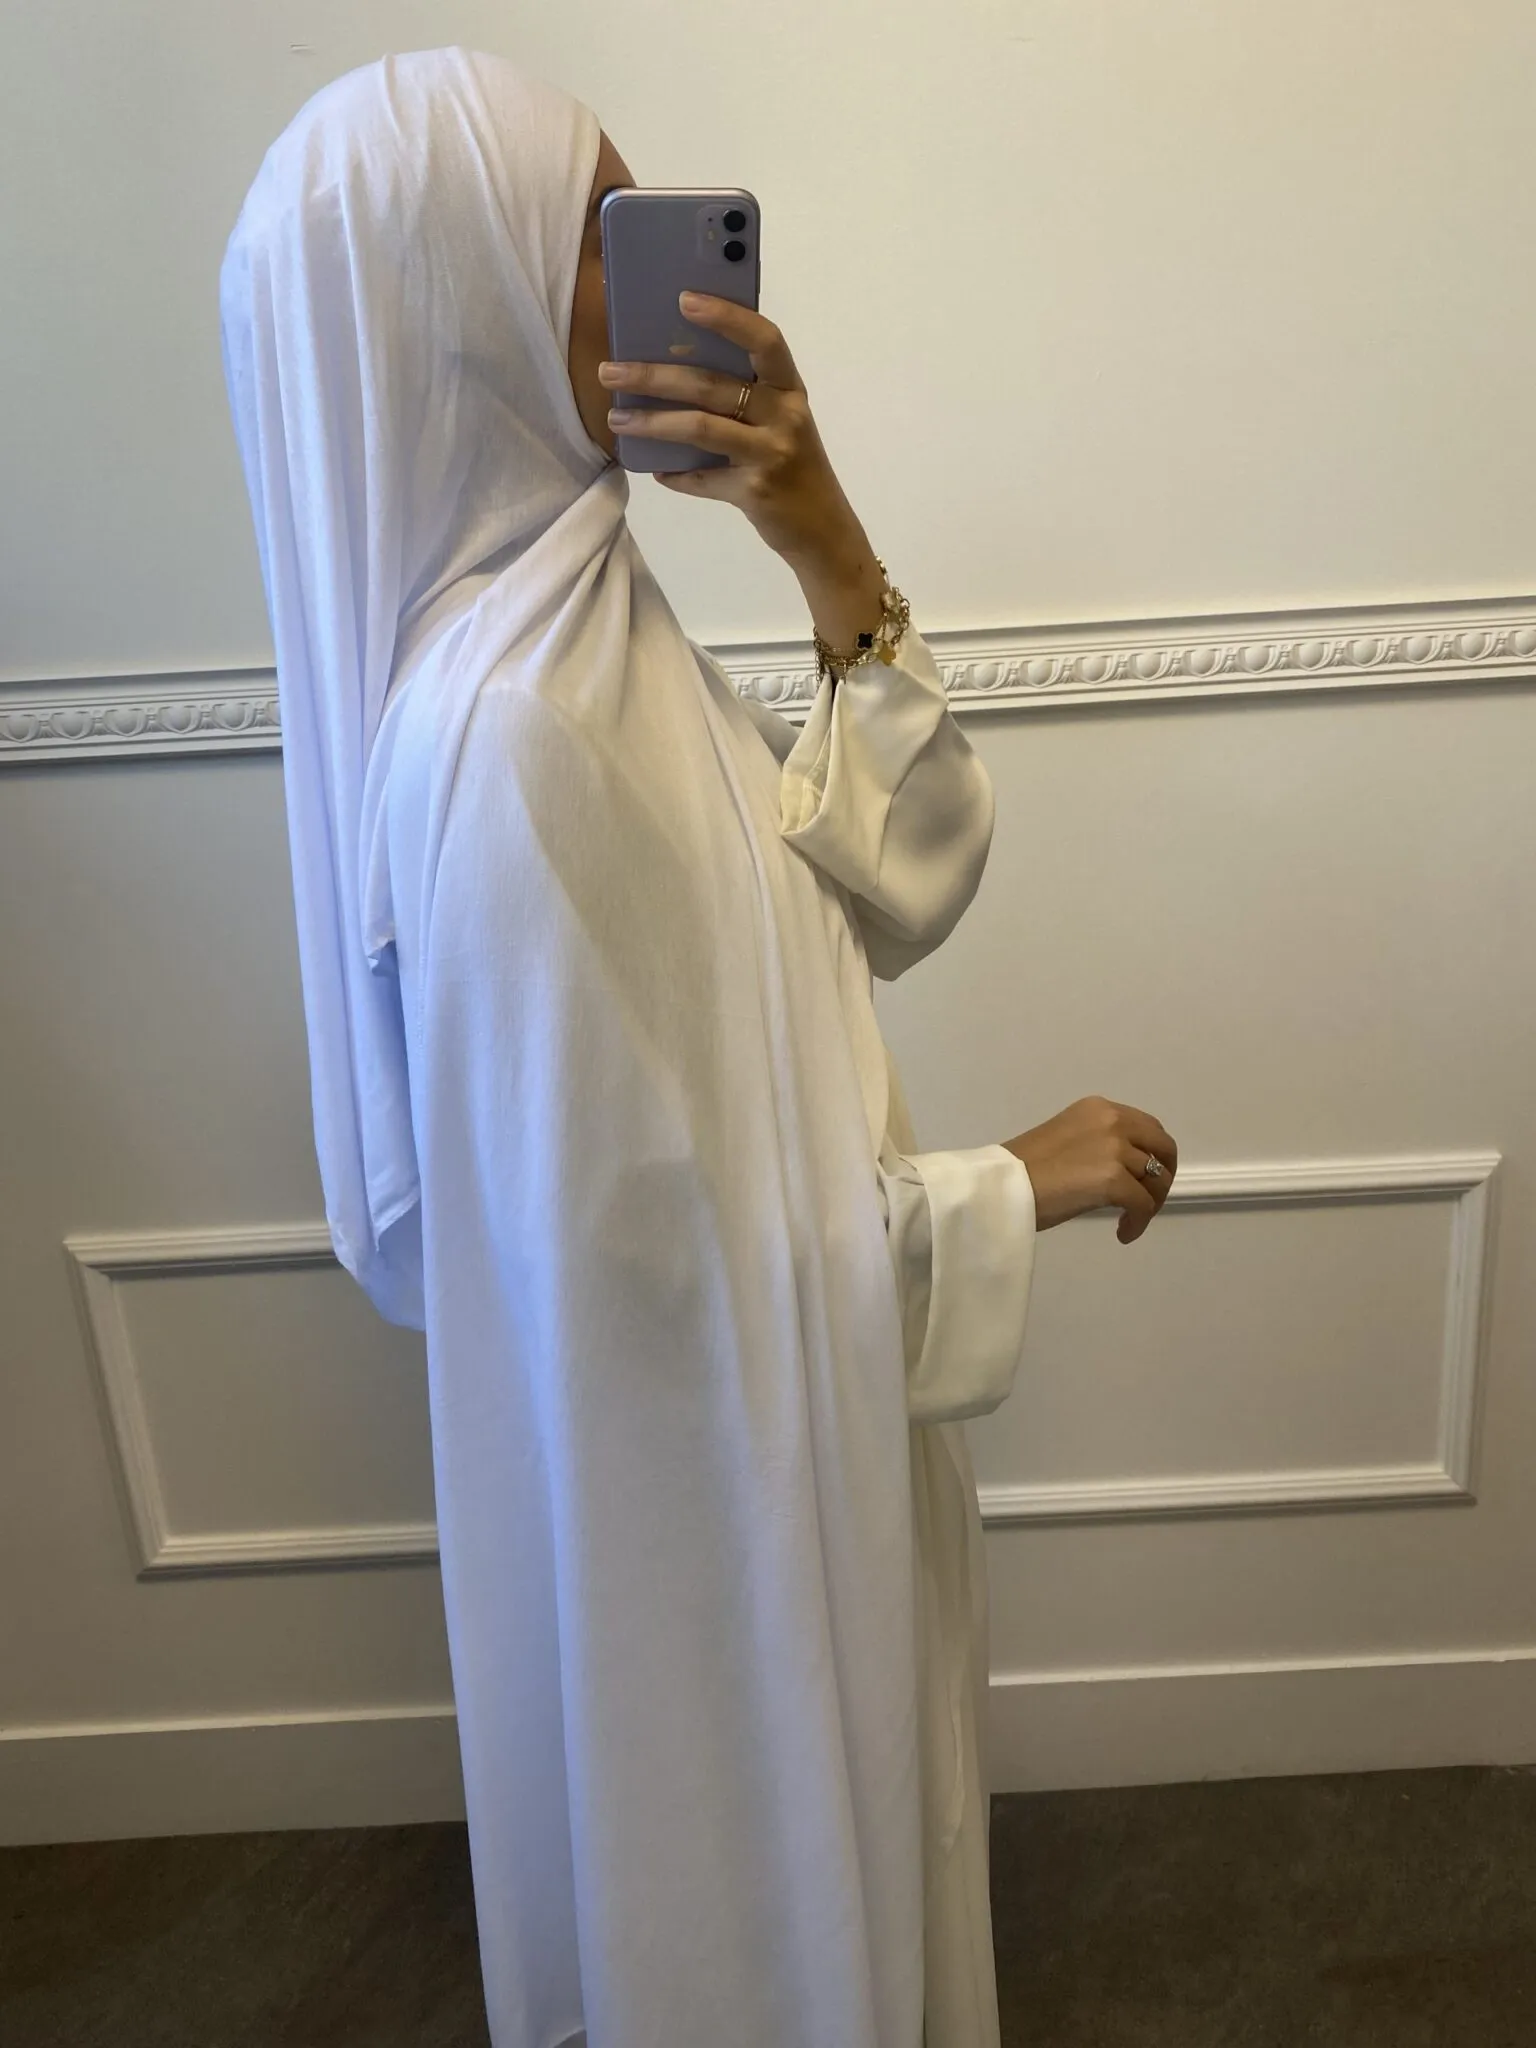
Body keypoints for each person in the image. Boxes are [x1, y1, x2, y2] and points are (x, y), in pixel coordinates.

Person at [219, 45, 1176, 2048]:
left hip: (764, 1483)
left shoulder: (587, 632)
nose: (669, 277)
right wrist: (1008, 1185)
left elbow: (871, 895)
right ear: (457, 296)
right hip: (724, 1536)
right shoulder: (512, 739)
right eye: (600, 229)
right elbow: (652, 1296)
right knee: (770, 1927)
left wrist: (823, 537)